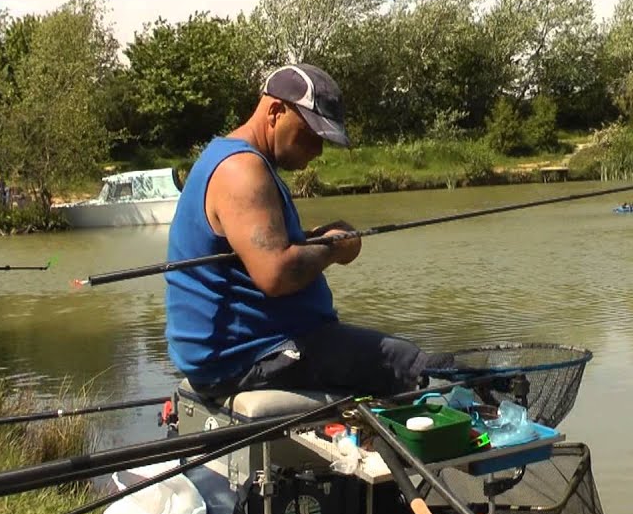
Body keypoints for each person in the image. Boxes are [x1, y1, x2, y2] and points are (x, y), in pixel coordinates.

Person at [164, 64, 434, 397]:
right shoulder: (241, 170)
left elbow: (261, 248)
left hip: (251, 347)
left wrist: (316, 237)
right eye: (310, 135)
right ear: (276, 111)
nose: (317, 150)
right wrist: (335, 246)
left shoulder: (231, 158)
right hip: (248, 358)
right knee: (410, 364)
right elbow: (277, 273)